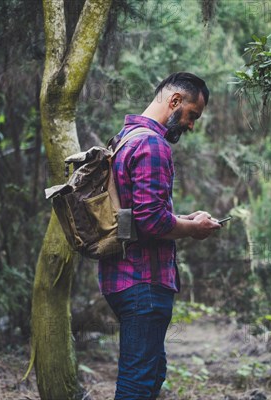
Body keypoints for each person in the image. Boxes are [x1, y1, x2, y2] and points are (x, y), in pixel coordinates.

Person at [99, 72, 221, 399]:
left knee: (151, 374)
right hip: (144, 282)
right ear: (175, 101)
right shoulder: (153, 144)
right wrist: (194, 229)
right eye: (192, 115)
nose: (192, 125)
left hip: (122, 278)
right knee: (138, 383)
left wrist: (184, 219)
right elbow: (152, 222)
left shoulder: (124, 138)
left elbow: (138, 216)